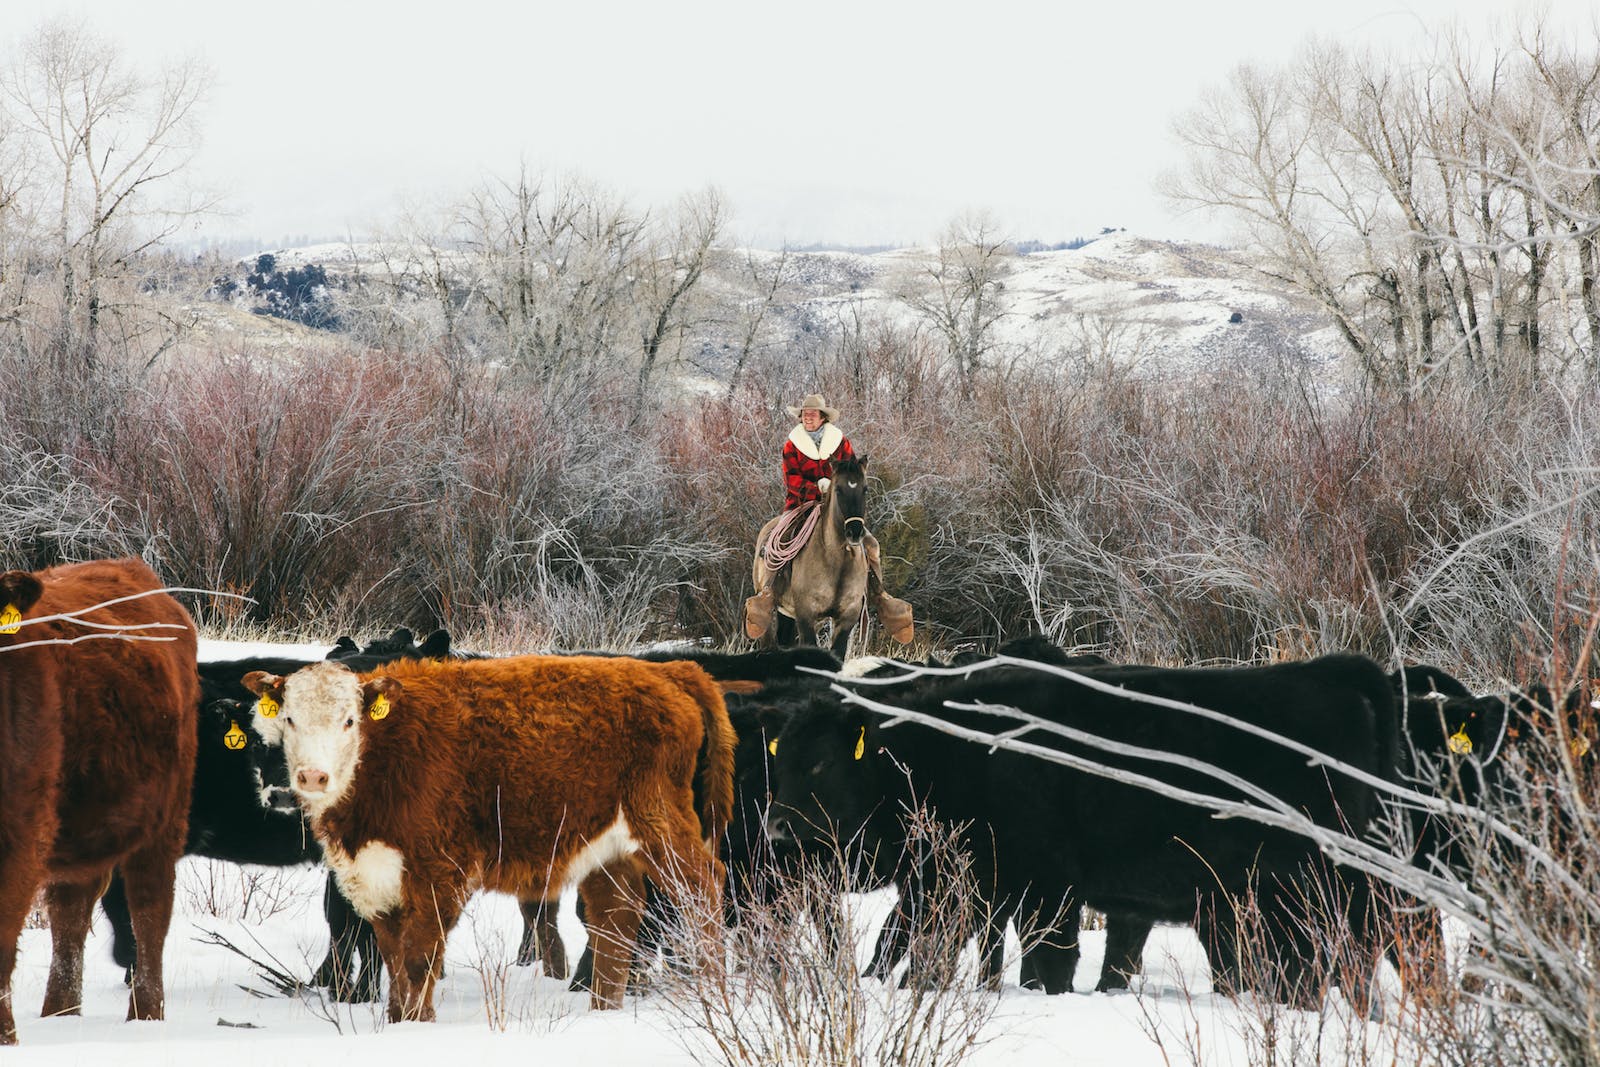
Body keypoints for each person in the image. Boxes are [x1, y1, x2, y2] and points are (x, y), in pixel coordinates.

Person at [744, 393, 914, 643]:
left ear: (823, 417)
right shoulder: (792, 444)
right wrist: (818, 488)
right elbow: (791, 479)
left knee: (872, 545)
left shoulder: (840, 442)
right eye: (804, 414)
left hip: (838, 506)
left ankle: (880, 596)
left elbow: (852, 471)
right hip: (802, 502)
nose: (807, 417)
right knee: (777, 538)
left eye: (812, 414)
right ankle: (768, 592)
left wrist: (838, 487)